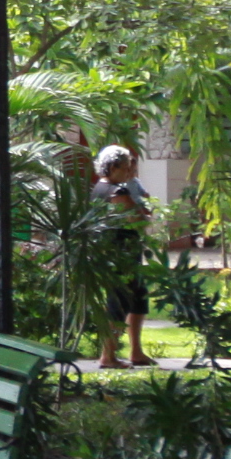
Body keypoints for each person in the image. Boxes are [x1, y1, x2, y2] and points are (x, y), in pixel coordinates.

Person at [89, 144, 153, 370]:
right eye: (126, 168)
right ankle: (108, 355)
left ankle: (136, 351)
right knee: (119, 302)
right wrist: (144, 213)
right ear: (113, 167)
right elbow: (137, 218)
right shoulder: (116, 192)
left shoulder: (102, 188)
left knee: (137, 299)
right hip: (119, 255)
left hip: (125, 253)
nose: (129, 173)